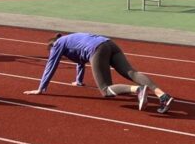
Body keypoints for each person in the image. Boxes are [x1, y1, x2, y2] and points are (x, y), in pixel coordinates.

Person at [23, 33, 173, 114]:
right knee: (131, 72)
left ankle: (138, 90)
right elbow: (80, 61)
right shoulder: (70, 39)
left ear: (52, 46)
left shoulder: (57, 45)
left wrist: (41, 88)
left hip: (97, 49)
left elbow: (51, 65)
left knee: (105, 89)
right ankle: (163, 96)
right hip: (109, 43)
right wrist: (79, 81)